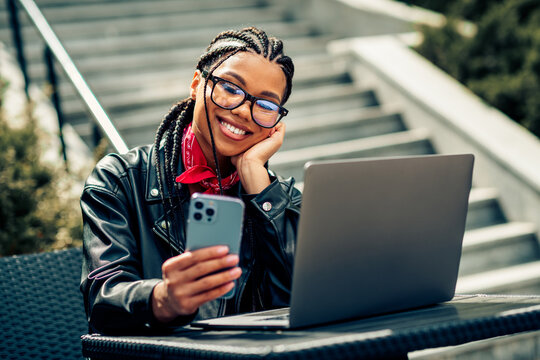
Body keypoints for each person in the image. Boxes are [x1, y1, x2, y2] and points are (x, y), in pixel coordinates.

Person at [80, 27, 301, 334]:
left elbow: (298, 305)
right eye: (230, 88)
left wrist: (258, 184)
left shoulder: (278, 198)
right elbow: (102, 304)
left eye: (265, 105)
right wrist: (163, 299)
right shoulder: (120, 179)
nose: (243, 111)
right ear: (197, 84)